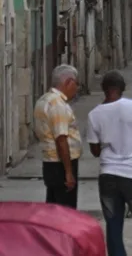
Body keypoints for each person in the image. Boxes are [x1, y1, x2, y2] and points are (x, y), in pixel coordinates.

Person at [86, 70, 132, 256]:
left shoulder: (94, 115)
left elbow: (94, 151)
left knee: (113, 225)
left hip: (108, 175)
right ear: (123, 88)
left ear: (103, 89)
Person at [33, 64, 82, 208]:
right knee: (66, 209)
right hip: (60, 164)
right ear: (68, 82)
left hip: (49, 162)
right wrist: (68, 172)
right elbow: (61, 139)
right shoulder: (57, 104)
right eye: (76, 84)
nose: (77, 89)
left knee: (53, 207)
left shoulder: (44, 100)